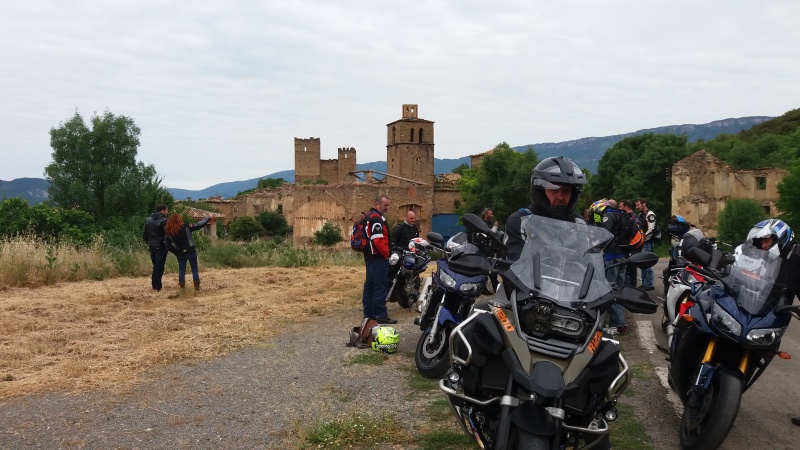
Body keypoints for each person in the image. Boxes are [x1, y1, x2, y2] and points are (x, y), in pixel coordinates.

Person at [504, 156, 587, 261]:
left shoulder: (579, 223)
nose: (560, 197)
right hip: (533, 277)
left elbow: (588, 262)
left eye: (566, 191)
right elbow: (516, 267)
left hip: (574, 277)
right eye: (554, 190)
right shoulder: (521, 221)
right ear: (541, 192)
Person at [362, 195, 396, 324]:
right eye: (385, 205)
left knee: (370, 286)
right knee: (380, 286)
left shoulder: (369, 216)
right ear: (377, 204)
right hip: (378, 257)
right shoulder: (376, 218)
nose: (387, 208)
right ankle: (381, 314)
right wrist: (386, 253)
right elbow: (377, 239)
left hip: (370, 256)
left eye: (388, 205)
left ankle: (368, 313)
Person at [165, 213, 213, 291]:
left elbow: (168, 246)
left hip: (180, 253)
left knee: (181, 270)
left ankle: (182, 289)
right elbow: (199, 224)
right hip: (191, 251)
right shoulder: (186, 227)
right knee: (194, 269)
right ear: (180, 219)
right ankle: (197, 288)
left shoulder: (169, 232)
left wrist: (176, 252)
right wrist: (208, 217)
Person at [601, 199, 629, 334]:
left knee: (610, 289)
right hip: (623, 256)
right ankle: (616, 322)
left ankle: (619, 323)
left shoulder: (609, 215)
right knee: (619, 289)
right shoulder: (622, 215)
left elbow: (604, 236)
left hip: (612, 256)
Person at [142, 204, 169, 291]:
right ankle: (156, 286)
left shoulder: (148, 219)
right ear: (162, 210)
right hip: (160, 245)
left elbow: (145, 233)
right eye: (166, 210)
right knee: (159, 266)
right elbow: (166, 234)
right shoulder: (164, 220)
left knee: (155, 265)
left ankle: (155, 285)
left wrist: (148, 242)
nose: (167, 212)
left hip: (151, 245)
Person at [635, 198, 657, 291]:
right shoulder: (640, 215)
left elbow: (651, 229)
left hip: (647, 242)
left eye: (638, 205)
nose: (637, 207)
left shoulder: (650, 214)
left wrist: (643, 238)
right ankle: (645, 283)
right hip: (642, 241)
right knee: (642, 262)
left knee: (647, 263)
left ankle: (649, 283)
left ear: (644, 204)